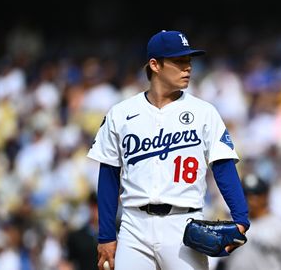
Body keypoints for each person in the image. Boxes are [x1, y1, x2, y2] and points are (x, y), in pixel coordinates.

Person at [88, 30, 250, 270]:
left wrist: (241, 219)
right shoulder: (121, 114)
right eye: (179, 61)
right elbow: (109, 175)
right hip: (134, 225)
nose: (188, 68)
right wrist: (106, 235)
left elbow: (223, 166)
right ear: (155, 65)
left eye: (189, 61)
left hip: (183, 225)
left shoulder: (204, 112)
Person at [216, 174, 281, 270]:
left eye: (255, 195)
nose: (249, 200)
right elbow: (221, 263)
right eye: (245, 195)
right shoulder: (231, 226)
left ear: (266, 196)